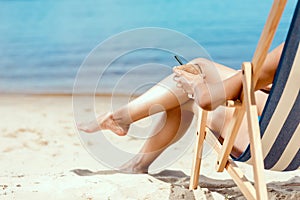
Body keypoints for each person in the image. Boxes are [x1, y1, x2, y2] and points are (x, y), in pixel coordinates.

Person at [78, 43, 284, 174]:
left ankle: (124, 127)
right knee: (199, 71)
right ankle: (133, 151)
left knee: (193, 80)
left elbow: (206, 101)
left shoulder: (292, 49)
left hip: (263, 147)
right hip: (292, 150)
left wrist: (195, 84)